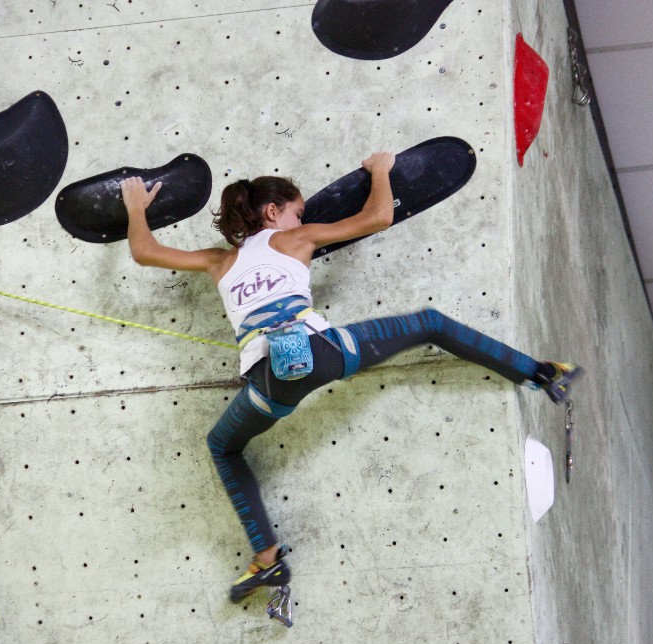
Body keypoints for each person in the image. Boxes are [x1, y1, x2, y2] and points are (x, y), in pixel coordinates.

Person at [119, 152, 581, 604]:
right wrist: (380, 170)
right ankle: (541, 373)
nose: (302, 219)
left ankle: (267, 557)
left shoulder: (218, 261)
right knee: (430, 324)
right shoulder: (296, 238)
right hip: (322, 353)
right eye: (298, 211)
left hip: (268, 383)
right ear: (273, 212)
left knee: (223, 447)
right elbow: (378, 217)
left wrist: (136, 208)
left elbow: (144, 252)